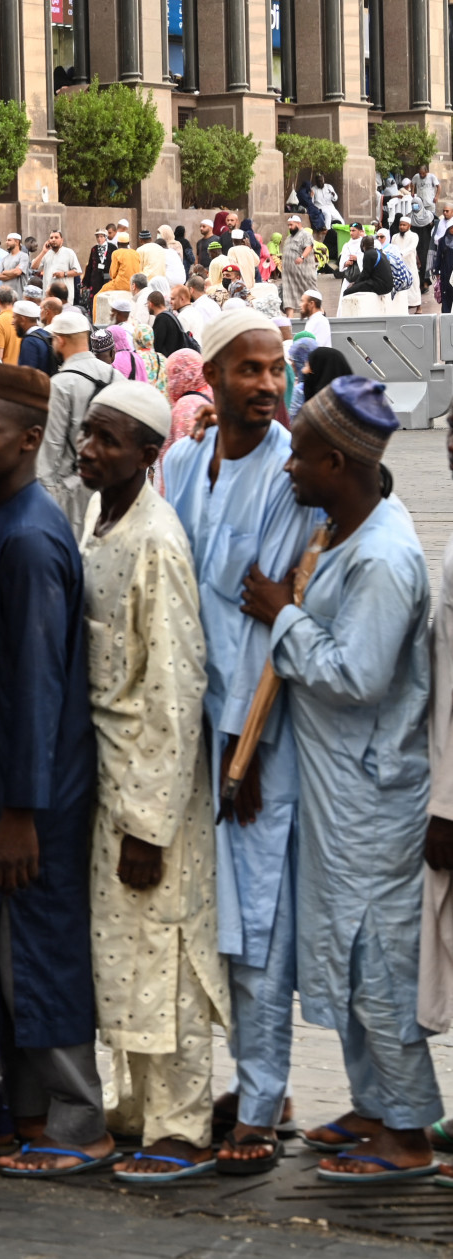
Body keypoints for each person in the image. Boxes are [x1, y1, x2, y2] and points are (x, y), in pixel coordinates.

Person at [239, 377, 443, 1181]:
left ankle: (407, 1129)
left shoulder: (383, 557)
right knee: (346, 951)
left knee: (376, 959)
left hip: (372, 793)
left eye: (298, 455)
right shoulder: (342, 531)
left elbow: (356, 675)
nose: (287, 467)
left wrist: (281, 615)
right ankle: (373, 1103)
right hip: (338, 789)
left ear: (334, 462)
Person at [0, 363, 108, 1177]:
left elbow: (40, 687)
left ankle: (79, 1122)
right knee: (9, 955)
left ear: (30, 440)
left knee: (41, 952)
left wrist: (19, 812)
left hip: (37, 793)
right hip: (9, 782)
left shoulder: (31, 538)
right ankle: (31, 1112)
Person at [161, 310, 319, 1173]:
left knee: (257, 922)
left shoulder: (289, 477)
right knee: (204, 916)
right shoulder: (185, 462)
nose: (265, 385)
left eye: (274, 370)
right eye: (249, 370)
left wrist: (244, 747)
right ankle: (251, 1085)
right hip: (186, 731)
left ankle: (259, 1105)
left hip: (254, 742)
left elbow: (267, 619)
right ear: (213, 378)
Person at [70, 380, 229, 1180]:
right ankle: (134, 1107)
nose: (88, 450)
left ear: (146, 453)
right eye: (87, 435)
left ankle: (181, 1123)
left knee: (167, 955)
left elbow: (173, 686)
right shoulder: (99, 519)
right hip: (106, 775)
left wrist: (149, 823)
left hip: (149, 787)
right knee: (123, 953)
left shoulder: (157, 543)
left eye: (107, 440)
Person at [40, 310, 110, 540]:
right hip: (110, 488)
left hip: (70, 496)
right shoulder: (114, 376)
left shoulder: (60, 384)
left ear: (60, 340)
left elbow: (50, 450)